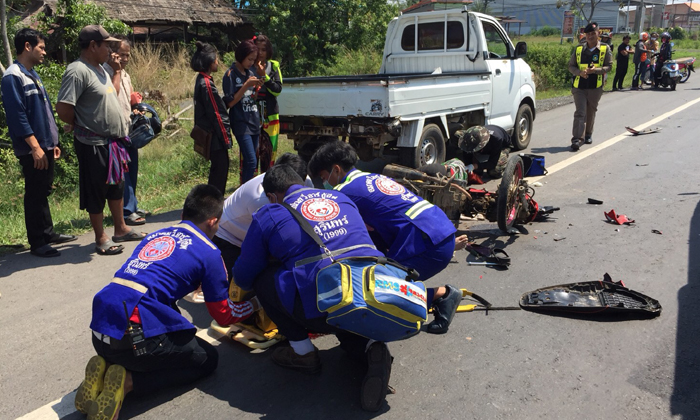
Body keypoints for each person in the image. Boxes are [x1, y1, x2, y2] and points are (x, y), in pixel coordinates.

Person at [233, 165, 462, 411]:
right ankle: (372, 347)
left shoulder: (270, 213)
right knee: (345, 306)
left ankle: (303, 354)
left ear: (272, 196)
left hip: (319, 306)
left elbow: (244, 276)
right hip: (368, 292)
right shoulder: (342, 198)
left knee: (265, 279)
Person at [75, 184, 260, 420]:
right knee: (206, 359)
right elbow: (223, 314)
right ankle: (129, 382)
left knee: (165, 308)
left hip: (101, 327)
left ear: (183, 215)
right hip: (133, 338)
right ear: (213, 222)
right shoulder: (210, 252)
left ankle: (108, 366)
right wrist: (255, 304)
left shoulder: (156, 235)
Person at [308, 140, 466, 281]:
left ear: (336, 170)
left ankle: (441, 296)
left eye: (323, 178)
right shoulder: (374, 177)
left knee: (374, 287)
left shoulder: (343, 192)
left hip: (427, 243)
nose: (324, 184)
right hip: (440, 231)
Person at [56, 25, 146, 256]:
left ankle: (120, 228)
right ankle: (100, 237)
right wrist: (81, 124)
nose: (110, 48)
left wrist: (115, 71)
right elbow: (64, 108)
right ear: (93, 45)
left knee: (116, 187)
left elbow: (113, 94)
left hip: (112, 143)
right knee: (96, 190)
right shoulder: (77, 71)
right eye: (106, 44)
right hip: (93, 143)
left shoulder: (101, 69)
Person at [1, 28, 77, 257]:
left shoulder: (32, 73)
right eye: (41, 48)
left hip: (45, 144)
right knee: (34, 192)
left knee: (43, 189)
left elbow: (43, 112)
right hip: (32, 147)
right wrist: (34, 146)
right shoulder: (13, 75)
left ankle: (48, 233)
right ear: (27, 46)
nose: (44, 52)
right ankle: (37, 242)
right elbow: (17, 115)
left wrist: (52, 142)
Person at [213, 152, 312, 279]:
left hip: (250, 233)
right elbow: (270, 240)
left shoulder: (305, 181)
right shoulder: (261, 198)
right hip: (229, 238)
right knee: (241, 283)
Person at [104, 34, 145, 226]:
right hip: (115, 132)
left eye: (128, 55)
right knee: (124, 172)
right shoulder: (107, 72)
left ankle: (133, 205)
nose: (125, 59)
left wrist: (136, 103)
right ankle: (127, 210)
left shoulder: (126, 74)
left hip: (129, 129)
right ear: (112, 54)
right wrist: (116, 71)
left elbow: (127, 98)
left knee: (133, 168)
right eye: (121, 55)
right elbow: (112, 97)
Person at [192, 41, 232, 195]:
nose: (217, 62)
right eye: (216, 59)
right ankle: (214, 201)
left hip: (212, 134)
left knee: (217, 169)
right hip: (215, 136)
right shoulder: (207, 84)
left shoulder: (201, 80)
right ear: (209, 61)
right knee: (220, 170)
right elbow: (216, 114)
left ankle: (212, 200)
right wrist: (226, 138)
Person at [567, 22, 612, 151]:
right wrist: (579, 72)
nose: (590, 36)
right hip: (579, 86)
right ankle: (577, 139)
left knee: (590, 111)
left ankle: (588, 134)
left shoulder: (605, 49)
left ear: (598, 34)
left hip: (595, 86)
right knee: (580, 112)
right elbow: (571, 66)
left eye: (593, 33)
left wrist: (596, 70)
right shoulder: (579, 49)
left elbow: (609, 67)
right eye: (588, 34)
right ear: (585, 35)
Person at [223, 40, 263, 185]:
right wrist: (246, 85)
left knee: (253, 163)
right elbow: (230, 102)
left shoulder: (251, 73)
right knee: (251, 160)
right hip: (241, 123)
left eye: (253, 60)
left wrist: (256, 88)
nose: (251, 63)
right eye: (249, 59)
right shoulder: (230, 75)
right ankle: (244, 194)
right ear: (241, 56)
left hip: (253, 121)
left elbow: (252, 98)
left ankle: (246, 190)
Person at [253, 34, 283, 173]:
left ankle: (268, 186)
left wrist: (264, 76)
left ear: (268, 51)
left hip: (270, 116)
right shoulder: (247, 66)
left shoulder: (274, 65)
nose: (260, 53)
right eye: (257, 49)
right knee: (252, 154)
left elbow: (277, 90)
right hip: (252, 116)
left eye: (263, 50)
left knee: (269, 153)